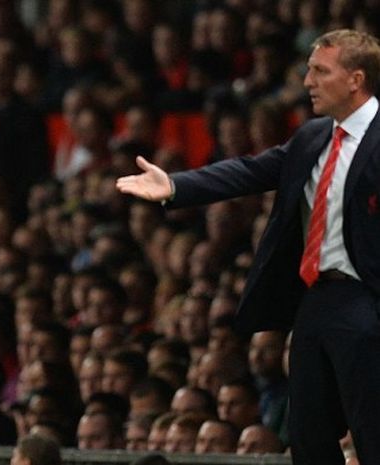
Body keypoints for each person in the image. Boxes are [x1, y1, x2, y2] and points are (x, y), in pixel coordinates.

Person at [117, 29, 380, 465]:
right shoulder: (313, 137)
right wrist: (176, 186)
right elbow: (248, 171)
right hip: (314, 302)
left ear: (355, 79)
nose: (307, 81)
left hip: (366, 302)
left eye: (319, 71)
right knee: (308, 436)